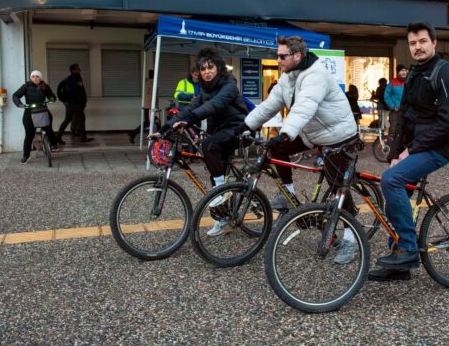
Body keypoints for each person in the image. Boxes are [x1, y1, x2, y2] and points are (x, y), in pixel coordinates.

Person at [238, 35, 360, 264]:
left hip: (338, 135)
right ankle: (287, 193)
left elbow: (305, 106)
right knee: (278, 150)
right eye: (277, 55)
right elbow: (268, 105)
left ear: (297, 55)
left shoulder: (316, 74)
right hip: (313, 133)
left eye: (282, 56)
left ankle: (352, 238)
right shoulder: (287, 78)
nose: (278, 60)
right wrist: (246, 125)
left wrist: (285, 133)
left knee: (338, 187)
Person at [370, 21, 449, 282]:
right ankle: (398, 265)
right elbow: (403, 117)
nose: (418, 47)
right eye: (413, 43)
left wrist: (410, 151)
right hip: (416, 145)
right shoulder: (414, 73)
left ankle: (408, 249)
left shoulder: (447, 75)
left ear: (434, 42)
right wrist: (393, 154)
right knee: (393, 185)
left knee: (393, 180)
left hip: (439, 148)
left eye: (423, 41)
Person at [165, 48, 249, 236]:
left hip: (237, 128)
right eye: (203, 69)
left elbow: (215, 105)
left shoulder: (229, 84)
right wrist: (165, 128)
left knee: (208, 146)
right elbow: (190, 109)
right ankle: (223, 217)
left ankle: (221, 191)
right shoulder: (204, 89)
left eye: (211, 67)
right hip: (220, 131)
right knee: (215, 170)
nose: (207, 72)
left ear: (218, 68)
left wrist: (189, 120)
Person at [13, 70, 59, 164]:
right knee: (29, 135)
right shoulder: (26, 86)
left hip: (43, 111)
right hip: (29, 113)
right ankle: (26, 156)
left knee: (49, 129)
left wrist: (50, 100)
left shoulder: (45, 86)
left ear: (40, 78)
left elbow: (52, 97)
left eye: (37, 76)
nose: (35, 78)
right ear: (31, 78)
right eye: (33, 76)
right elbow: (15, 95)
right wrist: (20, 104)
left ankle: (54, 144)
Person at [56, 63, 93, 144]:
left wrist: (64, 101)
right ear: (73, 70)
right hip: (76, 104)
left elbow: (59, 90)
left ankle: (58, 137)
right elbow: (82, 92)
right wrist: (84, 102)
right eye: (78, 69)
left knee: (67, 120)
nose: (80, 70)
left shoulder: (67, 80)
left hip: (70, 104)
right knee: (82, 120)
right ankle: (83, 138)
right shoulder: (77, 79)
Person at [128, 70, 159, 144]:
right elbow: (152, 96)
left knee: (149, 123)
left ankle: (133, 133)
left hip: (148, 106)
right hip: (151, 106)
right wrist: (155, 109)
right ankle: (157, 140)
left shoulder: (148, 82)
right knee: (155, 122)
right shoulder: (152, 83)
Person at [385, 64, 407, 130]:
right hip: (396, 112)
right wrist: (393, 106)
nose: (404, 72)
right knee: (393, 131)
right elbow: (387, 96)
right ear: (397, 72)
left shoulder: (409, 82)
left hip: (408, 111)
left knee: (407, 131)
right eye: (402, 70)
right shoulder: (392, 82)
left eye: (405, 70)